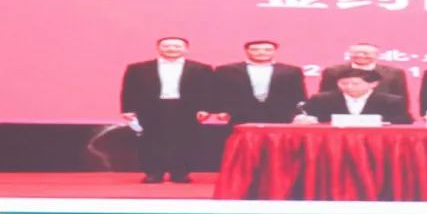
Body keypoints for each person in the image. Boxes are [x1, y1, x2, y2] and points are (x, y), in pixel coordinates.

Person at [120, 37, 215, 184]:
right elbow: (129, 90)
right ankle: (153, 172)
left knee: (185, 140)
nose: (171, 49)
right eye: (166, 46)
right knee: (151, 139)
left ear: (186, 49)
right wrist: (128, 109)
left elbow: (208, 90)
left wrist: (206, 108)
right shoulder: (138, 68)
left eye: (177, 46)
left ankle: (180, 173)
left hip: (187, 108)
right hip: (151, 107)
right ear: (158, 48)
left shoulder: (202, 68)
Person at [214, 40, 306, 125]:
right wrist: (219, 112)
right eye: (255, 50)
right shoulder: (226, 70)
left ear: (275, 51)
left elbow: (299, 94)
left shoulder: (291, 71)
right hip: (238, 115)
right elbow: (218, 93)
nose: (261, 52)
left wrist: (299, 114)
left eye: (267, 50)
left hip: (281, 115)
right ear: (246, 51)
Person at [295, 68, 413, 125]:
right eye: (343, 83)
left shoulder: (391, 101)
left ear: (373, 84)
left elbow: (405, 121)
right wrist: (303, 119)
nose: (349, 87)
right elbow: (307, 117)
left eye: (355, 84)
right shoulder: (321, 99)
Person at [319, 42, 410, 107]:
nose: (361, 55)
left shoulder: (393, 73)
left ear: (376, 55)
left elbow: (401, 98)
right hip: (341, 115)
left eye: (366, 53)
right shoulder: (333, 71)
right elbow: (324, 95)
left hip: (383, 114)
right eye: (356, 53)